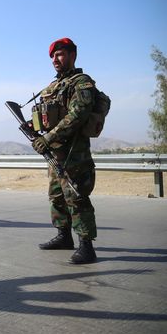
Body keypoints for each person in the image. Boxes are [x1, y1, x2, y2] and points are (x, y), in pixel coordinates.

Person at [32, 38, 98, 264]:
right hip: (55, 153)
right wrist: (36, 130)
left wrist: (49, 138)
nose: (55, 60)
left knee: (76, 197)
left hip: (74, 154)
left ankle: (86, 246)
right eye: (52, 56)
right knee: (56, 196)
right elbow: (45, 117)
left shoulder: (82, 83)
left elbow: (77, 115)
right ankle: (63, 236)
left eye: (59, 54)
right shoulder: (53, 87)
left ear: (72, 55)